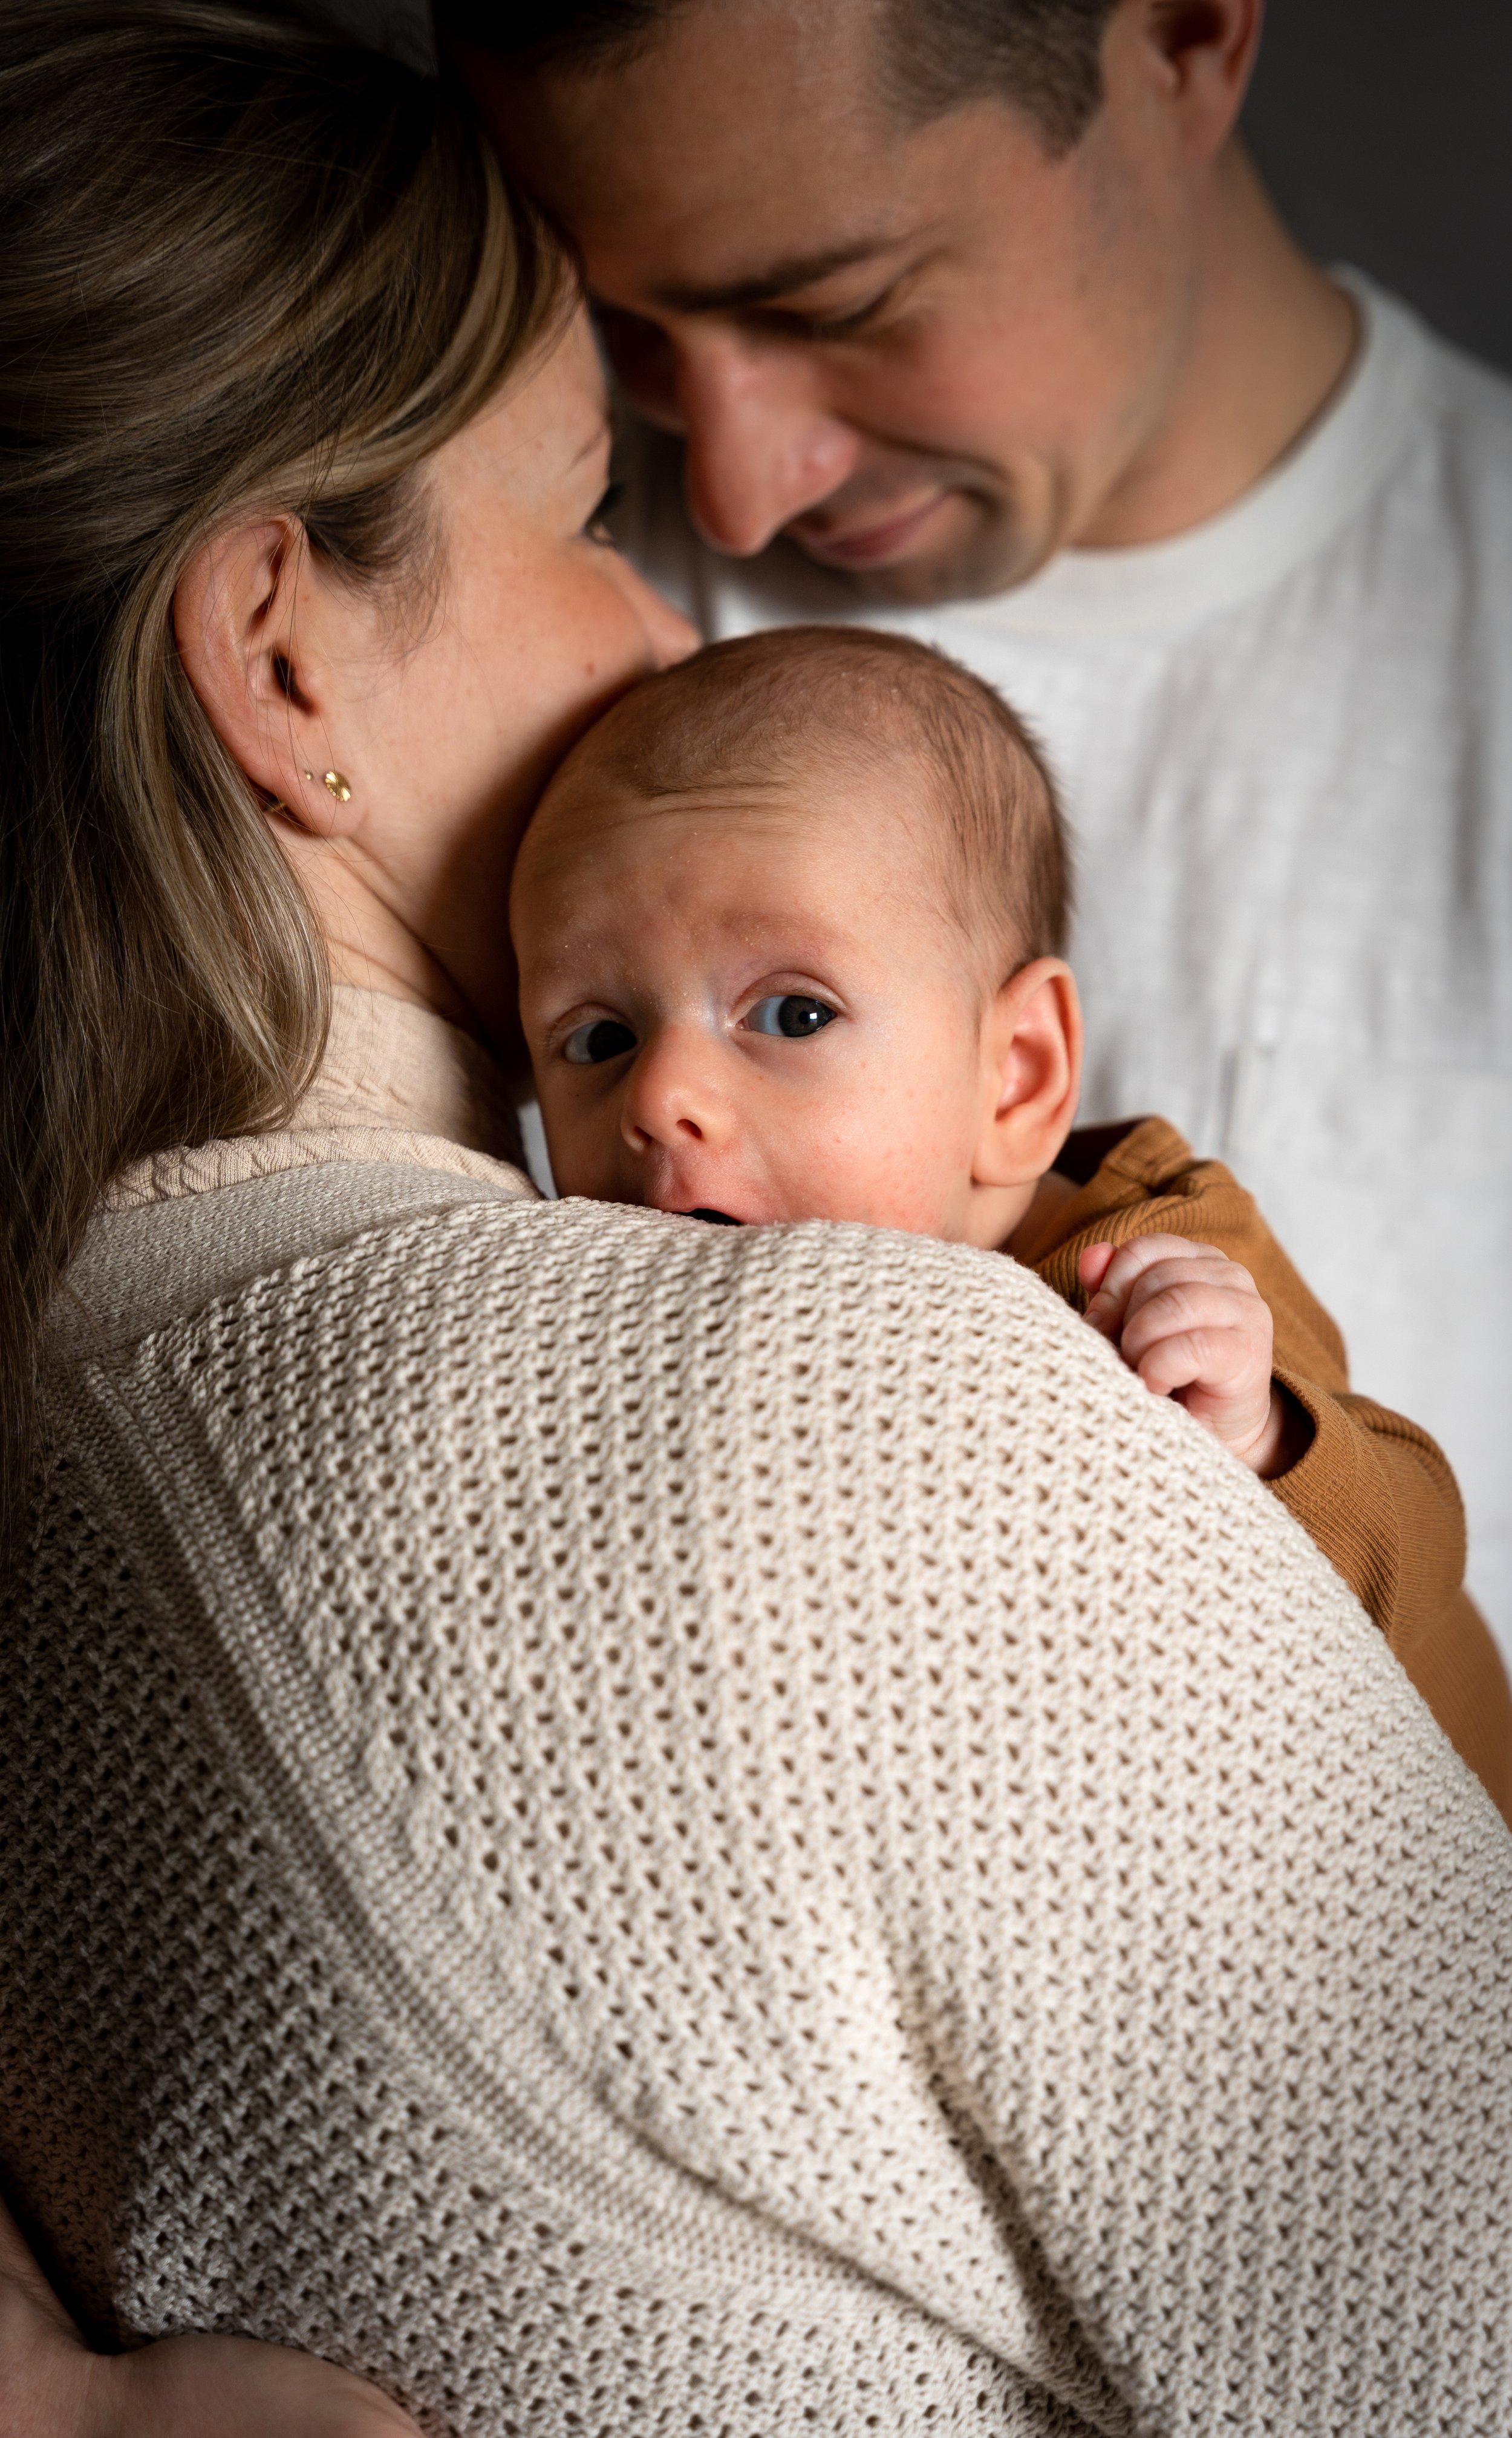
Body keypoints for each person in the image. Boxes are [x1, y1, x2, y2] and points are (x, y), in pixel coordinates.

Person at [4, 8, 1512, 2438]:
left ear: (1200, 40)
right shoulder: (821, 1396)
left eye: (838, 297)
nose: (725, 527)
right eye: (607, 465)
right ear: (278, 654)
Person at [445, 0, 1512, 1661]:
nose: (727, 491)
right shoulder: (538, 610)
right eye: (628, 335)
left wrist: (1270, 1430)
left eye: (838, 303)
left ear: (1180, 37)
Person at [513, 622, 1509, 1811]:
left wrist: (1256, 1438)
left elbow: (1415, 1541)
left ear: (1017, 1077)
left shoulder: (1142, 1267)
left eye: (789, 1014)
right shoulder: (655, 1309)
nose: (658, 1096)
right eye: (598, 1037)